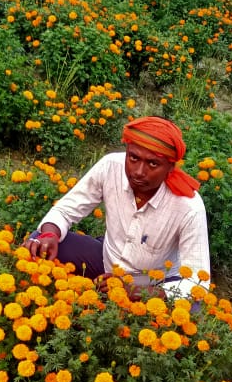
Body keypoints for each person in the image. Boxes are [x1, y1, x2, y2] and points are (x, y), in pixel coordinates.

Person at [24, 116, 210, 301]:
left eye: (153, 163)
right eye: (133, 158)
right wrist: (49, 235)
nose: (138, 172)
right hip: (107, 262)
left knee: (189, 305)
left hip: (154, 286)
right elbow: (66, 210)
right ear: (127, 151)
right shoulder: (110, 167)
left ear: (171, 167)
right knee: (38, 243)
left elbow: (197, 283)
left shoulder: (188, 208)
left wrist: (136, 292)